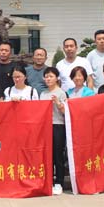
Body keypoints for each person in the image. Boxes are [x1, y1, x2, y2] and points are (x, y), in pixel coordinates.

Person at [40, 66, 67, 195]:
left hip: (58, 125)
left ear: (57, 78)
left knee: (58, 155)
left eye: (51, 76)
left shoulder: (61, 93)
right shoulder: (43, 93)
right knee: (47, 155)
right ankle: (48, 181)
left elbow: (65, 111)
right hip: (45, 126)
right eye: (46, 77)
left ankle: (59, 182)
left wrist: (57, 102)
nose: (48, 79)